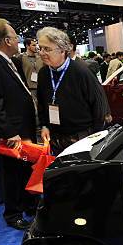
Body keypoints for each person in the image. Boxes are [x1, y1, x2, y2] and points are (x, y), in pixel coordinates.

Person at [0, 18, 37, 230]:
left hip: (20, 130)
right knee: (11, 175)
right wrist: (9, 132)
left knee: (24, 172)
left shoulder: (7, 60)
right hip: (10, 135)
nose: (18, 38)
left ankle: (28, 205)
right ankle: (13, 214)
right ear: (6, 40)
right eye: (15, 35)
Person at [36, 27, 107, 155]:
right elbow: (41, 103)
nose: (41, 53)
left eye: (47, 49)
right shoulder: (43, 73)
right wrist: (44, 125)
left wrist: (95, 138)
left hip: (80, 137)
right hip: (54, 136)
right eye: (40, 48)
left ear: (62, 50)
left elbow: (99, 106)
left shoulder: (82, 72)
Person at [19, 37, 43, 111]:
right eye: (33, 45)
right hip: (29, 88)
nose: (36, 47)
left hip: (41, 87)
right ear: (27, 46)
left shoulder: (41, 57)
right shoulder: (21, 58)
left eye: (36, 45)